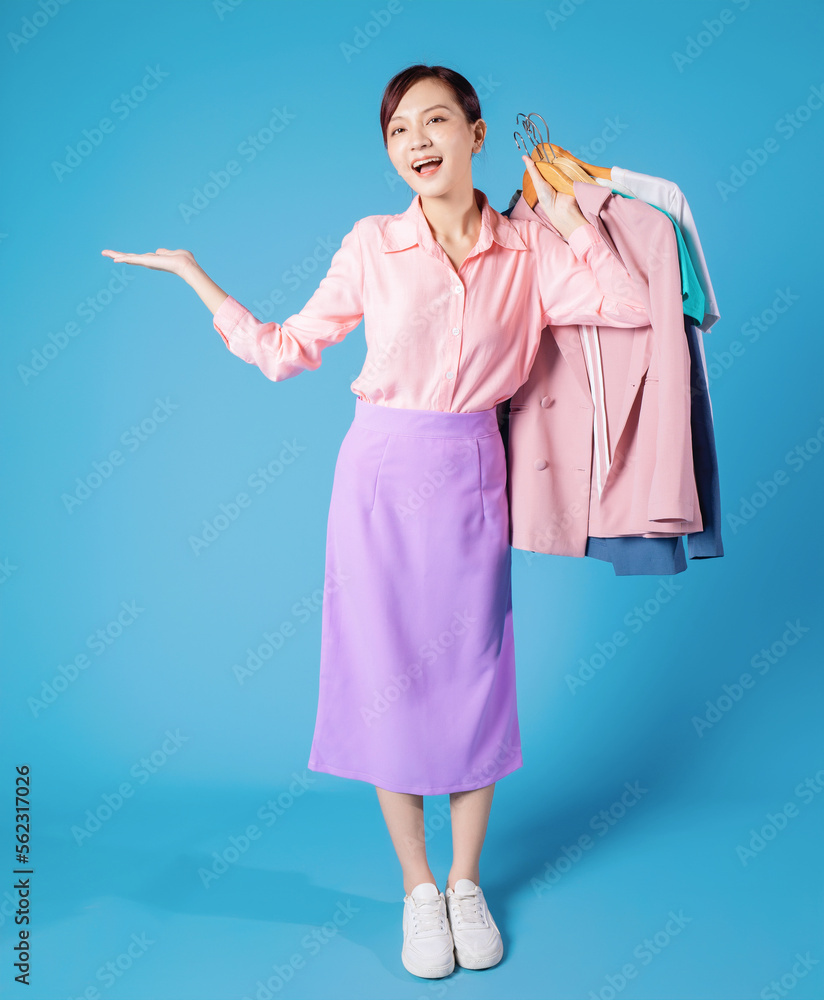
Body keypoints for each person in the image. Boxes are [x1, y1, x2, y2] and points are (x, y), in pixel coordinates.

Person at [101, 64, 649, 980]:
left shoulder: (529, 251)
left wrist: (567, 221)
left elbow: (629, 306)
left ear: (478, 132)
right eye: (400, 130)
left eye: (437, 121)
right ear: (390, 151)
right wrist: (198, 279)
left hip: (473, 467)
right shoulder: (372, 244)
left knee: (475, 675)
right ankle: (417, 891)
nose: (419, 142)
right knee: (388, 676)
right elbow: (285, 352)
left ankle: (467, 885)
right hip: (378, 478)